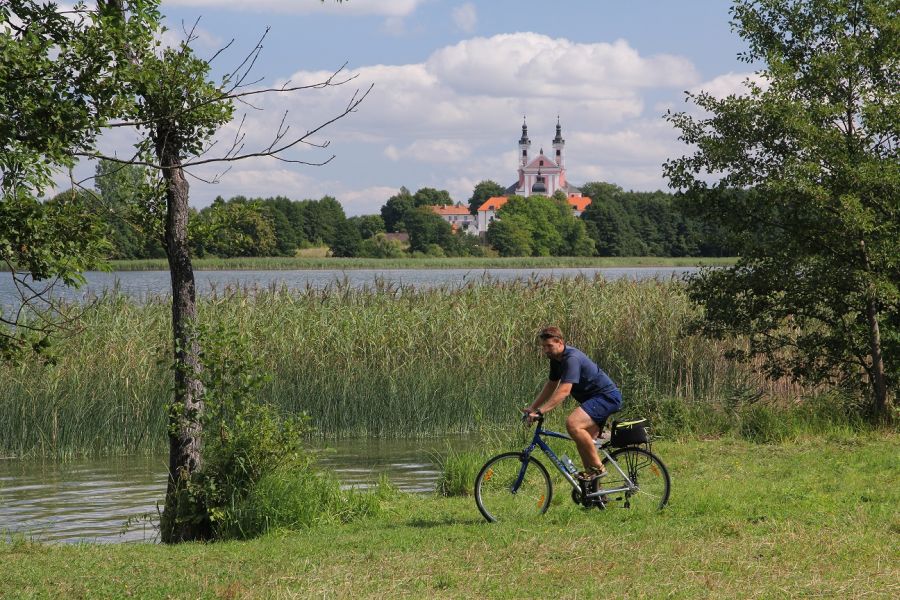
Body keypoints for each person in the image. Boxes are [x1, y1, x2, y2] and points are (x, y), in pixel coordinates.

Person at [522, 326, 622, 481]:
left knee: (573, 424)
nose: (545, 350)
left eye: (549, 346)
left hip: (606, 397)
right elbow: (551, 385)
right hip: (593, 400)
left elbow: (564, 391)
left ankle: (598, 469)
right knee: (583, 441)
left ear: (560, 342)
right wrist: (533, 407)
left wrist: (541, 411)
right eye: (543, 347)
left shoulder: (571, 359)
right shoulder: (556, 360)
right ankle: (595, 492)